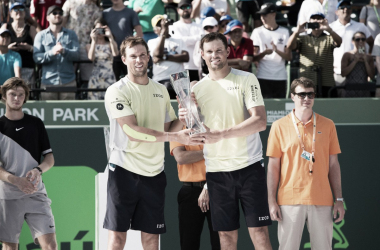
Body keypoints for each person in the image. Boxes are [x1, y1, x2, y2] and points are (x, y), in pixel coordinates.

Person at [103, 36, 193, 250]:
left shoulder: (161, 90)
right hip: (123, 171)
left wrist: (185, 114)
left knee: (152, 239)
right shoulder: (116, 90)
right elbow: (132, 131)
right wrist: (175, 137)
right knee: (117, 239)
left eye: (143, 55)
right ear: (124, 59)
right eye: (133, 56)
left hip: (154, 174)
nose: (139, 60)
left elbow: (167, 127)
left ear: (149, 57)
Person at [187, 32, 272, 250]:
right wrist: (187, 117)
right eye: (209, 51)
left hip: (249, 167)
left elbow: (260, 121)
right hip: (217, 172)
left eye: (218, 50)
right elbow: (195, 133)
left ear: (227, 51)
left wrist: (221, 134)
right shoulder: (196, 90)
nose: (214, 55)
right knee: (225, 237)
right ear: (202, 55)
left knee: (260, 233)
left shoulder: (247, 79)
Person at [266, 77, 345, 250]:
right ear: (292, 96)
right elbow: (273, 166)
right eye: (302, 94)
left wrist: (339, 198)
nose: (306, 99)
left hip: (322, 198)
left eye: (310, 94)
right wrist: (271, 201)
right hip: (289, 199)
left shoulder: (328, 124)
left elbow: (333, 165)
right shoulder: (279, 126)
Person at [0, 77, 56, 250]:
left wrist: (38, 170)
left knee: (51, 246)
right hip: (8, 196)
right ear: (4, 96)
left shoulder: (36, 123)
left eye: (20, 95)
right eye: (12, 94)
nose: (16, 98)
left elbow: (49, 158)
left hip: (36, 193)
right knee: (10, 247)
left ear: (25, 97)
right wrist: (17, 181)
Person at [170, 128, 220, 250]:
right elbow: (181, 157)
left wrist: (208, 187)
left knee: (221, 243)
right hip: (190, 191)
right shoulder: (179, 129)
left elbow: (225, 154)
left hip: (217, 189)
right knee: (188, 244)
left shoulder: (215, 125)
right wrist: (209, 151)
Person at [287, 12, 342, 97]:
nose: (316, 20)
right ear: (309, 21)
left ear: (324, 21)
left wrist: (329, 29)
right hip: (306, 80)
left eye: (319, 18)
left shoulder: (329, 38)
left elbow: (339, 42)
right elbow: (289, 46)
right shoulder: (303, 38)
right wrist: (296, 32)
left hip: (326, 81)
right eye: (314, 18)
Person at [33, 5, 79, 100]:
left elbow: (77, 55)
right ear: (47, 17)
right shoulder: (40, 35)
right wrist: (51, 53)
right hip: (48, 82)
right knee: (48, 114)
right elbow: (36, 57)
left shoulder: (71, 34)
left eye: (60, 13)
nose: (57, 15)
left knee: (69, 113)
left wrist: (64, 51)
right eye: (54, 13)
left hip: (68, 82)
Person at [330, 0, 373, 93]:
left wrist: (368, 57)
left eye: (348, 7)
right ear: (336, 12)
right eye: (342, 7)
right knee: (340, 102)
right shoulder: (331, 28)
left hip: (358, 71)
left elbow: (370, 42)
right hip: (337, 71)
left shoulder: (360, 26)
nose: (346, 9)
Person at [252, 3, 291, 98]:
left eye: (265, 14)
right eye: (261, 15)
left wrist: (276, 50)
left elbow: (289, 57)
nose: (262, 17)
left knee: (279, 110)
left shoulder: (284, 32)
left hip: (280, 77)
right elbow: (253, 57)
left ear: (273, 14)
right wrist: (264, 53)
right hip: (262, 76)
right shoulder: (257, 32)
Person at [147, 14, 189, 99]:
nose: (163, 26)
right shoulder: (152, 42)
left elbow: (186, 57)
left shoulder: (179, 41)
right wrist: (163, 34)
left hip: (179, 79)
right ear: (155, 30)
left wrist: (164, 57)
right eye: (159, 25)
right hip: (160, 79)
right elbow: (156, 55)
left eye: (164, 24)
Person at [62, 0, 102, 82]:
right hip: (69, 45)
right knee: (68, 75)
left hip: (86, 46)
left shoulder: (96, 9)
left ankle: (85, 94)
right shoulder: (70, 2)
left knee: (88, 77)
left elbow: (97, 26)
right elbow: (62, 22)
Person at [103, 0, 143, 81]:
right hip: (110, 54)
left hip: (128, 54)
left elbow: (139, 33)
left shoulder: (131, 12)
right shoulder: (105, 13)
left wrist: (131, 48)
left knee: (132, 82)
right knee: (113, 84)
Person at [4, 2, 36, 88]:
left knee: (25, 94)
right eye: (16, 9)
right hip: (8, 67)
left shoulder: (31, 28)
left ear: (25, 13)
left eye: (22, 9)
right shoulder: (5, 27)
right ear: (10, 14)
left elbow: (39, 49)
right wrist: (8, 48)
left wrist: (28, 47)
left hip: (27, 67)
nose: (19, 11)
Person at [171, 0, 204, 81]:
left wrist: (186, 40)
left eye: (188, 7)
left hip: (198, 67)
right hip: (182, 67)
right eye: (182, 7)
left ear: (191, 9)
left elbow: (203, 40)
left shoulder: (199, 26)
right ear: (178, 10)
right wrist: (197, 38)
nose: (185, 9)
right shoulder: (174, 26)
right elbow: (180, 41)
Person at [86, 18, 118, 100]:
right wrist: (93, 40)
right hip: (95, 78)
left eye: (102, 29)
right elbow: (91, 58)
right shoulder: (89, 45)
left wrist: (110, 37)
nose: (100, 32)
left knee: (111, 102)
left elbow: (115, 54)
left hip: (109, 77)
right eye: (97, 29)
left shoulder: (111, 43)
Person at [341, 32, 375, 97]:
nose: (360, 41)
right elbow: (343, 73)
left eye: (363, 39)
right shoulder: (347, 55)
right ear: (353, 41)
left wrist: (365, 61)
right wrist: (355, 61)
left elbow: (372, 76)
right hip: (349, 89)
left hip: (364, 89)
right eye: (357, 39)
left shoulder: (369, 57)